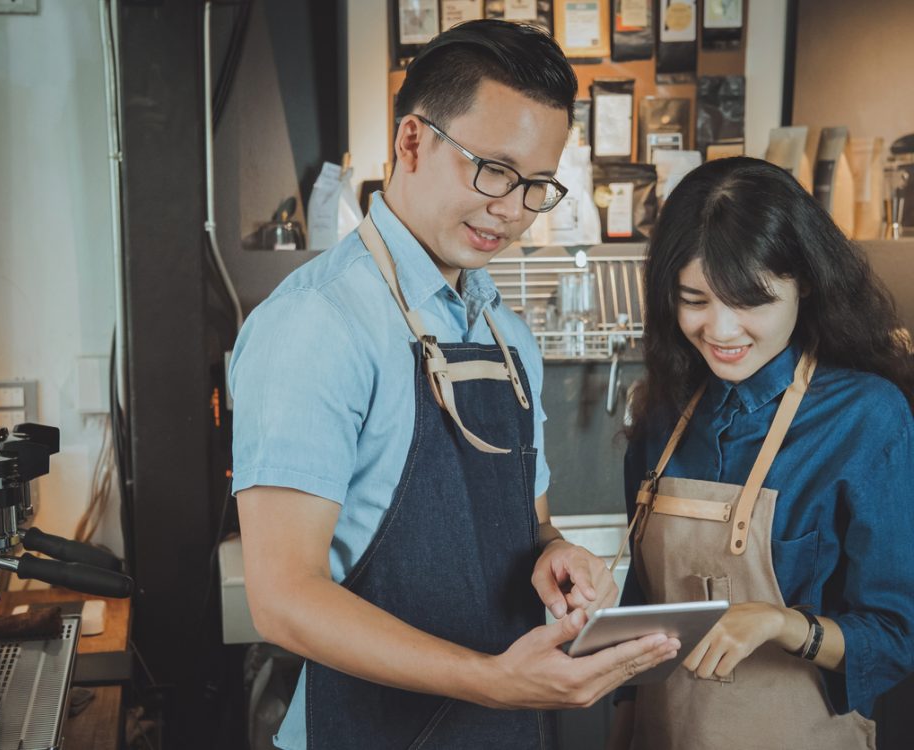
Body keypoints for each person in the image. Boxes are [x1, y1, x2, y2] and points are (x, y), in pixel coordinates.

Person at [229, 19, 679, 750]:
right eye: (494, 171)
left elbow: (528, 525)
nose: (511, 210)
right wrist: (490, 679)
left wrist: (555, 556)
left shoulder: (503, 328)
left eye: (536, 185)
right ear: (412, 142)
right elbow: (283, 599)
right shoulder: (318, 324)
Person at [608, 156, 914, 750]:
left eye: (750, 301)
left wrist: (782, 624)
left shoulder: (867, 416)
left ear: (805, 281)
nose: (720, 331)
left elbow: (897, 634)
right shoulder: (665, 411)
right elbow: (644, 603)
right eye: (694, 299)